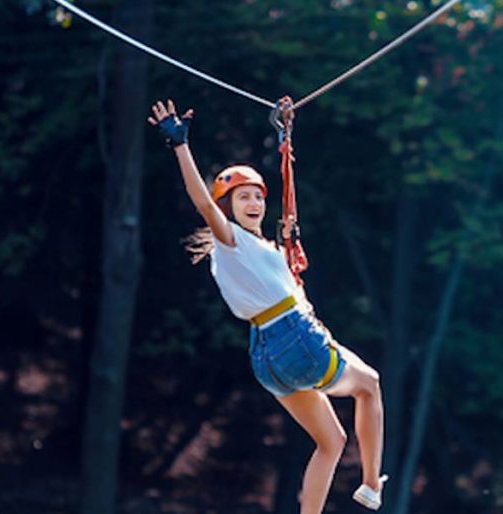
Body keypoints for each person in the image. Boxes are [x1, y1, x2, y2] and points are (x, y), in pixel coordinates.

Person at [147, 99, 387, 512]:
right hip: (294, 339)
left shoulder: (263, 248)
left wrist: (285, 135)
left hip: (266, 358)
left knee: (331, 441)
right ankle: (371, 485)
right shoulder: (231, 241)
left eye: (258, 196)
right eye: (243, 198)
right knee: (370, 385)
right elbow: (203, 203)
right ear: (228, 208)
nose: (254, 203)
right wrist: (180, 147)